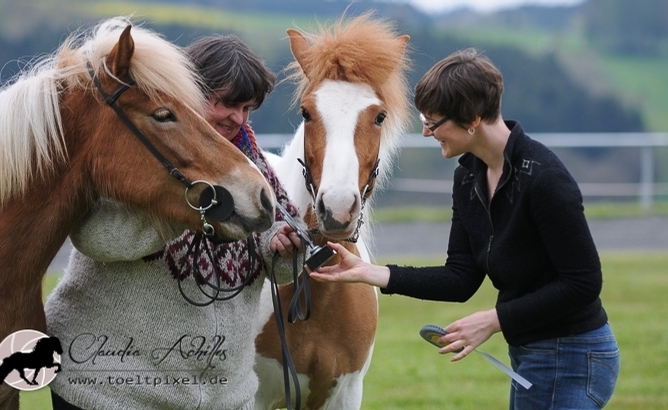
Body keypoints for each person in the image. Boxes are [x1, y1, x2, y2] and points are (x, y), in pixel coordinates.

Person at [311, 48, 620, 409]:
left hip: (574, 357)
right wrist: (369, 272)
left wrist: (493, 320)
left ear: (472, 119)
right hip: (532, 354)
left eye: (434, 121)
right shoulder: (468, 176)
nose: (426, 132)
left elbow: (583, 283)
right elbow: (460, 278)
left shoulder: (545, 179)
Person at [45, 34, 302, 410]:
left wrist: (284, 249)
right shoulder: (129, 146)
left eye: (248, 107)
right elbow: (95, 237)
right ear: (187, 90)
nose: (239, 118)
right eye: (227, 103)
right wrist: (193, 212)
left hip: (223, 396)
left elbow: (278, 262)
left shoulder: (253, 167)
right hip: (110, 388)